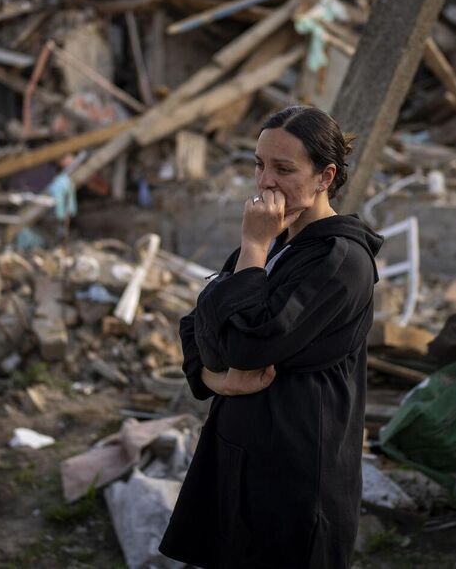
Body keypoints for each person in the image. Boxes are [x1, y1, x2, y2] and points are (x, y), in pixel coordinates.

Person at [159, 105, 384, 568]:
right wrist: (215, 379)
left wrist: (253, 250)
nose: (265, 183)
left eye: (283, 169)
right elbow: (194, 323)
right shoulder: (278, 241)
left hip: (296, 472)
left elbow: (244, 343)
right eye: (259, 165)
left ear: (326, 176)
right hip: (242, 455)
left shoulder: (339, 260)